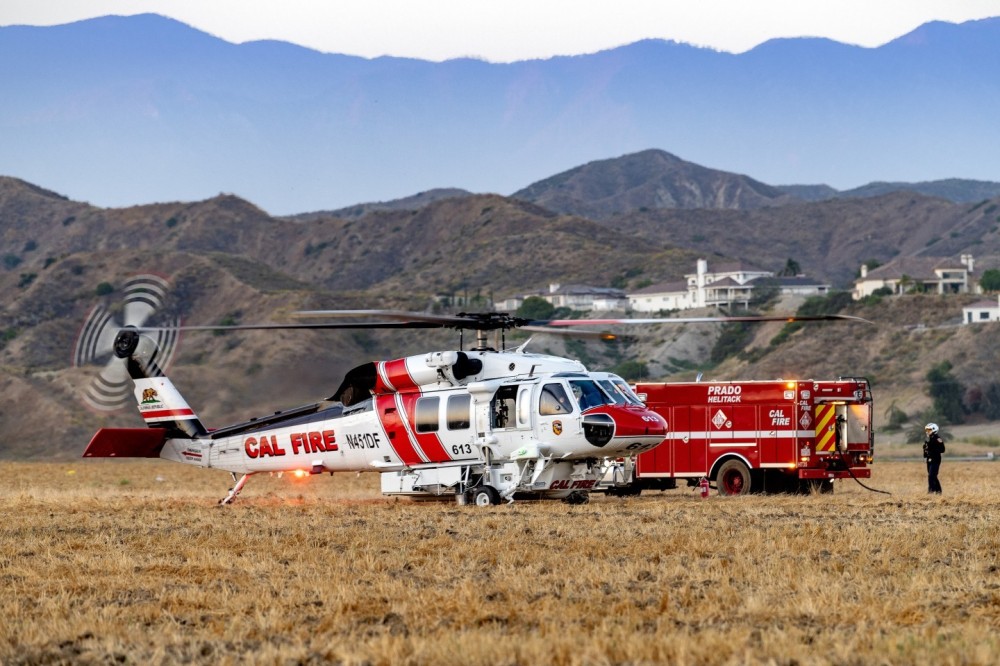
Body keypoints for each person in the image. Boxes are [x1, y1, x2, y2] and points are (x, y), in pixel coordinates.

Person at [923, 423, 945, 494]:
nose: (927, 432)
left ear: (934, 430)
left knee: (931, 475)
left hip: (935, 459)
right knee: (933, 476)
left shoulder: (937, 439)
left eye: (929, 430)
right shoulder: (929, 439)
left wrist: (932, 449)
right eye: (926, 430)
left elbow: (942, 450)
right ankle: (938, 491)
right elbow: (926, 450)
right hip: (929, 459)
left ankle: (931, 491)